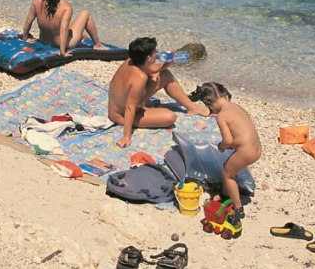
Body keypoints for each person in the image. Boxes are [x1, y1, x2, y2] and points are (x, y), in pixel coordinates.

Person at [109, 37, 208, 147]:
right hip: (121, 115)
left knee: (165, 74)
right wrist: (126, 137)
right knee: (170, 117)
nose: (157, 53)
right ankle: (136, 120)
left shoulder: (131, 61)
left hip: (122, 105)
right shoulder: (139, 78)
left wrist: (166, 65)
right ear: (148, 57)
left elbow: (149, 69)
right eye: (155, 52)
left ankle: (192, 108)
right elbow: (130, 108)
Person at [189, 82, 261, 223]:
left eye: (209, 107)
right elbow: (243, 132)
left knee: (227, 174)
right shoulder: (236, 107)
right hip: (257, 148)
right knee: (229, 165)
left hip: (247, 152)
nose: (211, 110)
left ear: (208, 102)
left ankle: (238, 208)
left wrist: (222, 146)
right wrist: (233, 145)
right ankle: (225, 193)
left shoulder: (222, 116)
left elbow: (227, 140)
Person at [21, 0, 107, 57]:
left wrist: (25, 37)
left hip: (44, 40)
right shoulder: (66, 6)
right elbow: (63, 29)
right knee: (85, 13)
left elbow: (29, 20)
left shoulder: (36, 1)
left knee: (67, 27)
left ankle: (81, 36)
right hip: (62, 44)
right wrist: (62, 51)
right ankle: (97, 45)